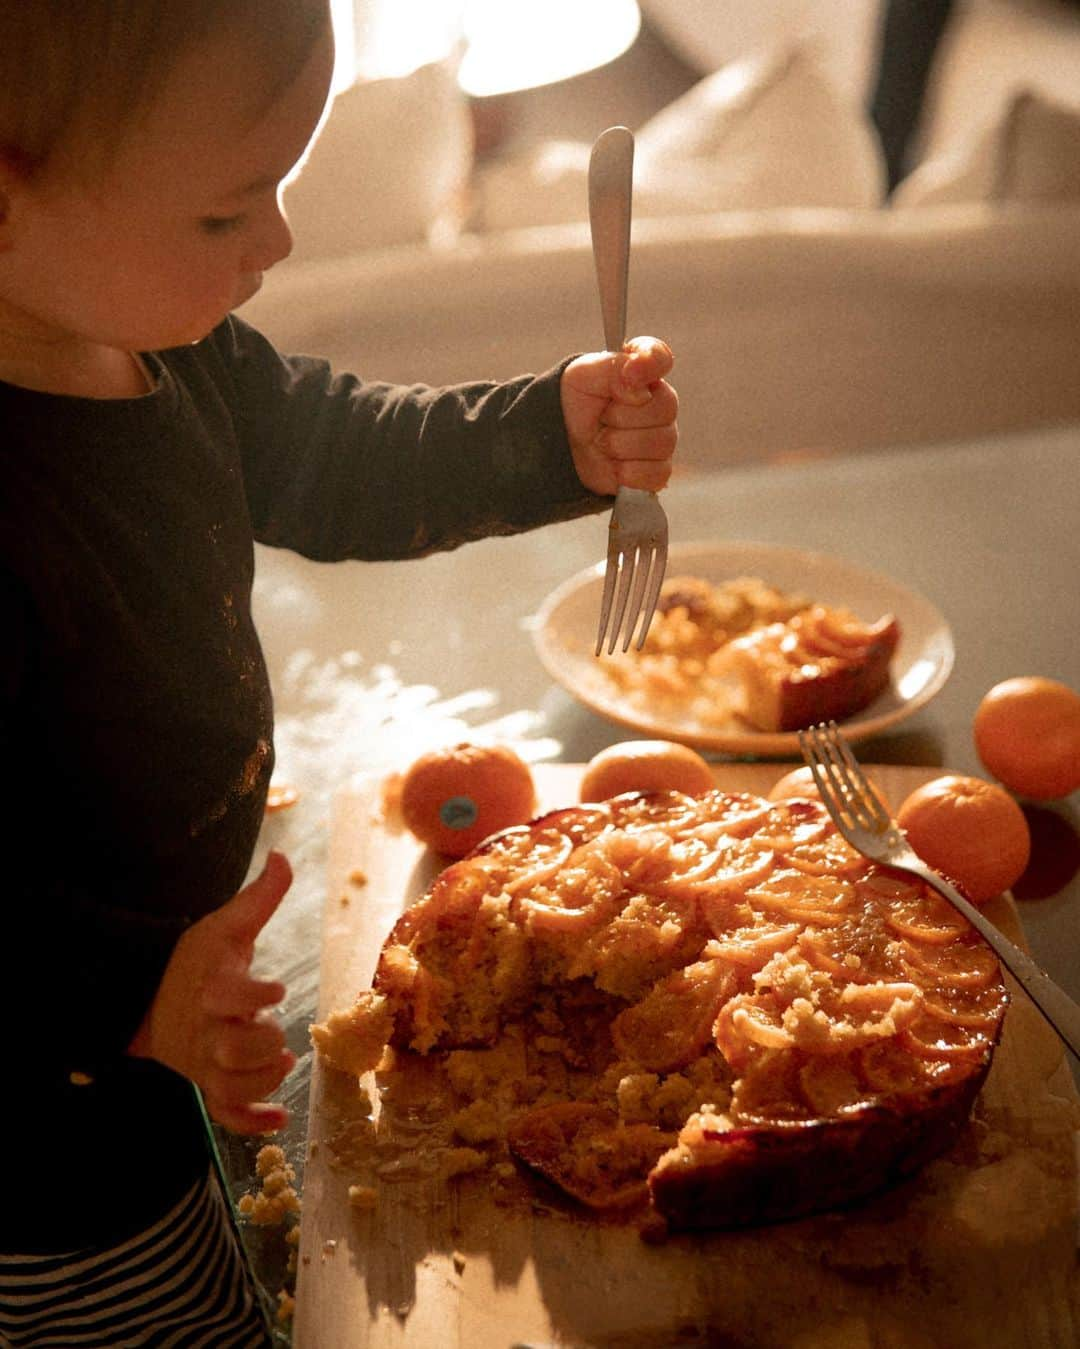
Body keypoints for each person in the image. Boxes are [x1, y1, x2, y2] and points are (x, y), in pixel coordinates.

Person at [0, 2, 678, 1344]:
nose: (280, 243)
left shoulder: (161, 344)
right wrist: (124, 1000)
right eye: (225, 214)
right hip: (52, 1141)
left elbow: (341, 454)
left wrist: (554, 436)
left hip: (184, 1000)